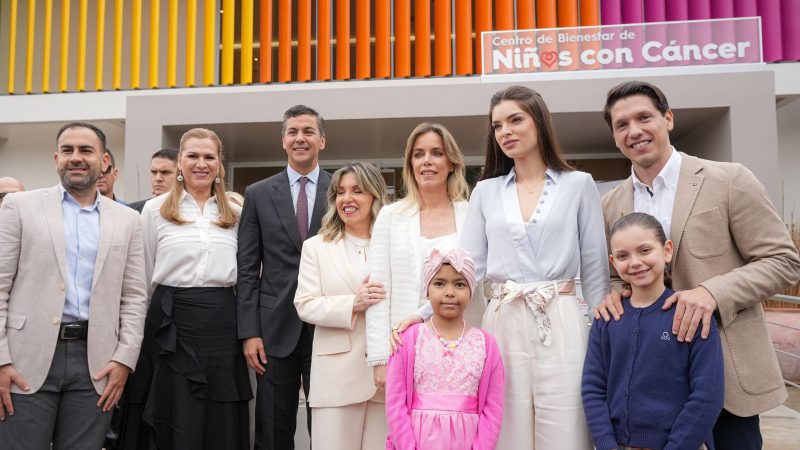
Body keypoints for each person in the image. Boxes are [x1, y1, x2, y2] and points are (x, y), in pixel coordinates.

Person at [596, 80, 800, 450]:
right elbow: (615, 274)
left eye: (644, 117)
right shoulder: (611, 203)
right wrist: (612, 294)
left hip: (726, 378)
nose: (635, 131)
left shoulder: (729, 179)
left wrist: (711, 293)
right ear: (614, 137)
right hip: (648, 383)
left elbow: (784, 261)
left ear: (668, 118)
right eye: (621, 125)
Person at [460, 85, 608, 449]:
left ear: (539, 122)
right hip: (503, 316)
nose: (505, 132)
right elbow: (467, 269)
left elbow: (594, 267)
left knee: (566, 423)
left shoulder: (579, 185)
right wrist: (424, 314)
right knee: (506, 424)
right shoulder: (486, 191)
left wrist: (607, 332)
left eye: (515, 120)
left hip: (560, 315)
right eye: (497, 126)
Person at [0, 122, 147, 449]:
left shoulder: (128, 221)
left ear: (104, 160)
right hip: (24, 360)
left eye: (85, 150)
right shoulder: (19, 207)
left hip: (95, 365)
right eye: (67, 150)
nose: (75, 158)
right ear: (56, 158)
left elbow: (135, 297)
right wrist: (1, 360)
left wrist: (124, 359)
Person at [117, 128, 251, 449]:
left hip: (221, 324)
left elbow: (247, 273)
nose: (200, 163)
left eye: (209, 157)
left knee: (220, 418)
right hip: (169, 326)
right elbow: (144, 274)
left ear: (220, 164)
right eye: (192, 155)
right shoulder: (154, 210)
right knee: (175, 415)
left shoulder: (236, 212)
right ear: (180, 161)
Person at [582, 212, 724, 450]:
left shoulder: (691, 317)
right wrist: (606, 444)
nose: (635, 262)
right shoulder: (606, 319)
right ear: (613, 262)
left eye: (645, 250)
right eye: (623, 255)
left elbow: (707, 396)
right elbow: (593, 388)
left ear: (667, 250)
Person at [237, 105, 332, 449]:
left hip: (329, 327)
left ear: (322, 139)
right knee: (273, 426)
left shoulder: (341, 190)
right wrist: (250, 332)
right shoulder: (258, 194)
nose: (300, 138)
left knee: (326, 422)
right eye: (292, 132)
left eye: (308, 131)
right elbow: (247, 268)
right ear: (283, 140)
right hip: (274, 328)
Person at [366, 122, 479, 392]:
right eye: (419, 154)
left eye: (436, 153)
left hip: (463, 345)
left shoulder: (472, 213)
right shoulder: (391, 217)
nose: (427, 161)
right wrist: (380, 357)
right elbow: (378, 290)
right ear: (410, 164)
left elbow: (482, 279)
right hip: (406, 345)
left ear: (452, 162)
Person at [294, 162, 389, 449]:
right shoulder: (317, 247)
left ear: (374, 196)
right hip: (336, 376)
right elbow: (305, 305)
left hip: (386, 378)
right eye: (340, 192)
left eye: (357, 191)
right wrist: (353, 303)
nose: (347, 199)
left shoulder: (393, 244)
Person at [386, 248, 504, 450]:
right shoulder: (408, 339)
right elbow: (395, 404)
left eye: (459, 284)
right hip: (417, 441)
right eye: (439, 283)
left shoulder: (486, 344)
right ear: (427, 290)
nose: (450, 292)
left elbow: (493, 409)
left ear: (471, 291)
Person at [127, 148, 179, 213]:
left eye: (165, 172)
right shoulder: (132, 211)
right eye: (154, 172)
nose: (158, 178)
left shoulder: (192, 210)